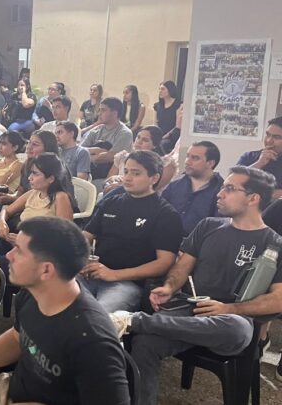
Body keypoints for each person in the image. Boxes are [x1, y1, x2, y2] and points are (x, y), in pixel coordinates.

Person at [114, 166, 282, 405]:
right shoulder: (208, 226)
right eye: (223, 187)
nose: (219, 193)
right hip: (190, 311)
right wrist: (169, 288)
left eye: (229, 189)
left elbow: (278, 300)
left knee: (237, 329)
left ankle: (133, 321)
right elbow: (182, 268)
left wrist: (229, 309)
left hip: (229, 320)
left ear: (253, 198)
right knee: (145, 344)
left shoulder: (274, 244)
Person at [0, 216, 130, 405]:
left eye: (18, 250)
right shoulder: (32, 293)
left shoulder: (92, 340)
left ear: (46, 270)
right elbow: (17, 338)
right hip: (8, 392)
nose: (9, 256)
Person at [81, 150, 183, 311]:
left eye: (136, 173)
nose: (127, 178)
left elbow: (164, 263)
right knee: (48, 293)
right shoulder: (111, 202)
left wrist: (114, 274)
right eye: (126, 171)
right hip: (92, 274)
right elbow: (85, 237)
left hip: (127, 283)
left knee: (99, 315)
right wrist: (77, 260)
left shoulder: (165, 214)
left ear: (154, 178)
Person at [161, 141, 223, 235]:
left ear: (210, 163)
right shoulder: (174, 185)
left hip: (200, 242)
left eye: (195, 158)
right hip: (167, 238)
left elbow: (219, 227)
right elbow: (160, 214)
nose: (187, 162)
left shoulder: (221, 191)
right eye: (188, 156)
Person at [104, 125, 177, 193]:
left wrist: (121, 186)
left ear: (154, 145)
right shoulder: (123, 157)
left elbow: (152, 188)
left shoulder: (166, 164)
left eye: (145, 140)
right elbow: (108, 180)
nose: (139, 142)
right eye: (138, 137)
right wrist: (112, 180)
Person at [81, 97, 134, 182]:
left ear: (115, 113)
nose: (99, 114)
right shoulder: (96, 130)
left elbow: (110, 157)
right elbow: (79, 151)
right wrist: (96, 150)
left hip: (111, 178)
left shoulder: (125, 133)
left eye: (103, 110)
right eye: (99, 110)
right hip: (89, 171)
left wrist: (89, 157)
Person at [238, 116, 282, 195]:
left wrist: (261, 194)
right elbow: (231, 183)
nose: (269, 141)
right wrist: (259, 163)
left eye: (277, 137)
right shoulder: (249, 156)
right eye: (267, 135)